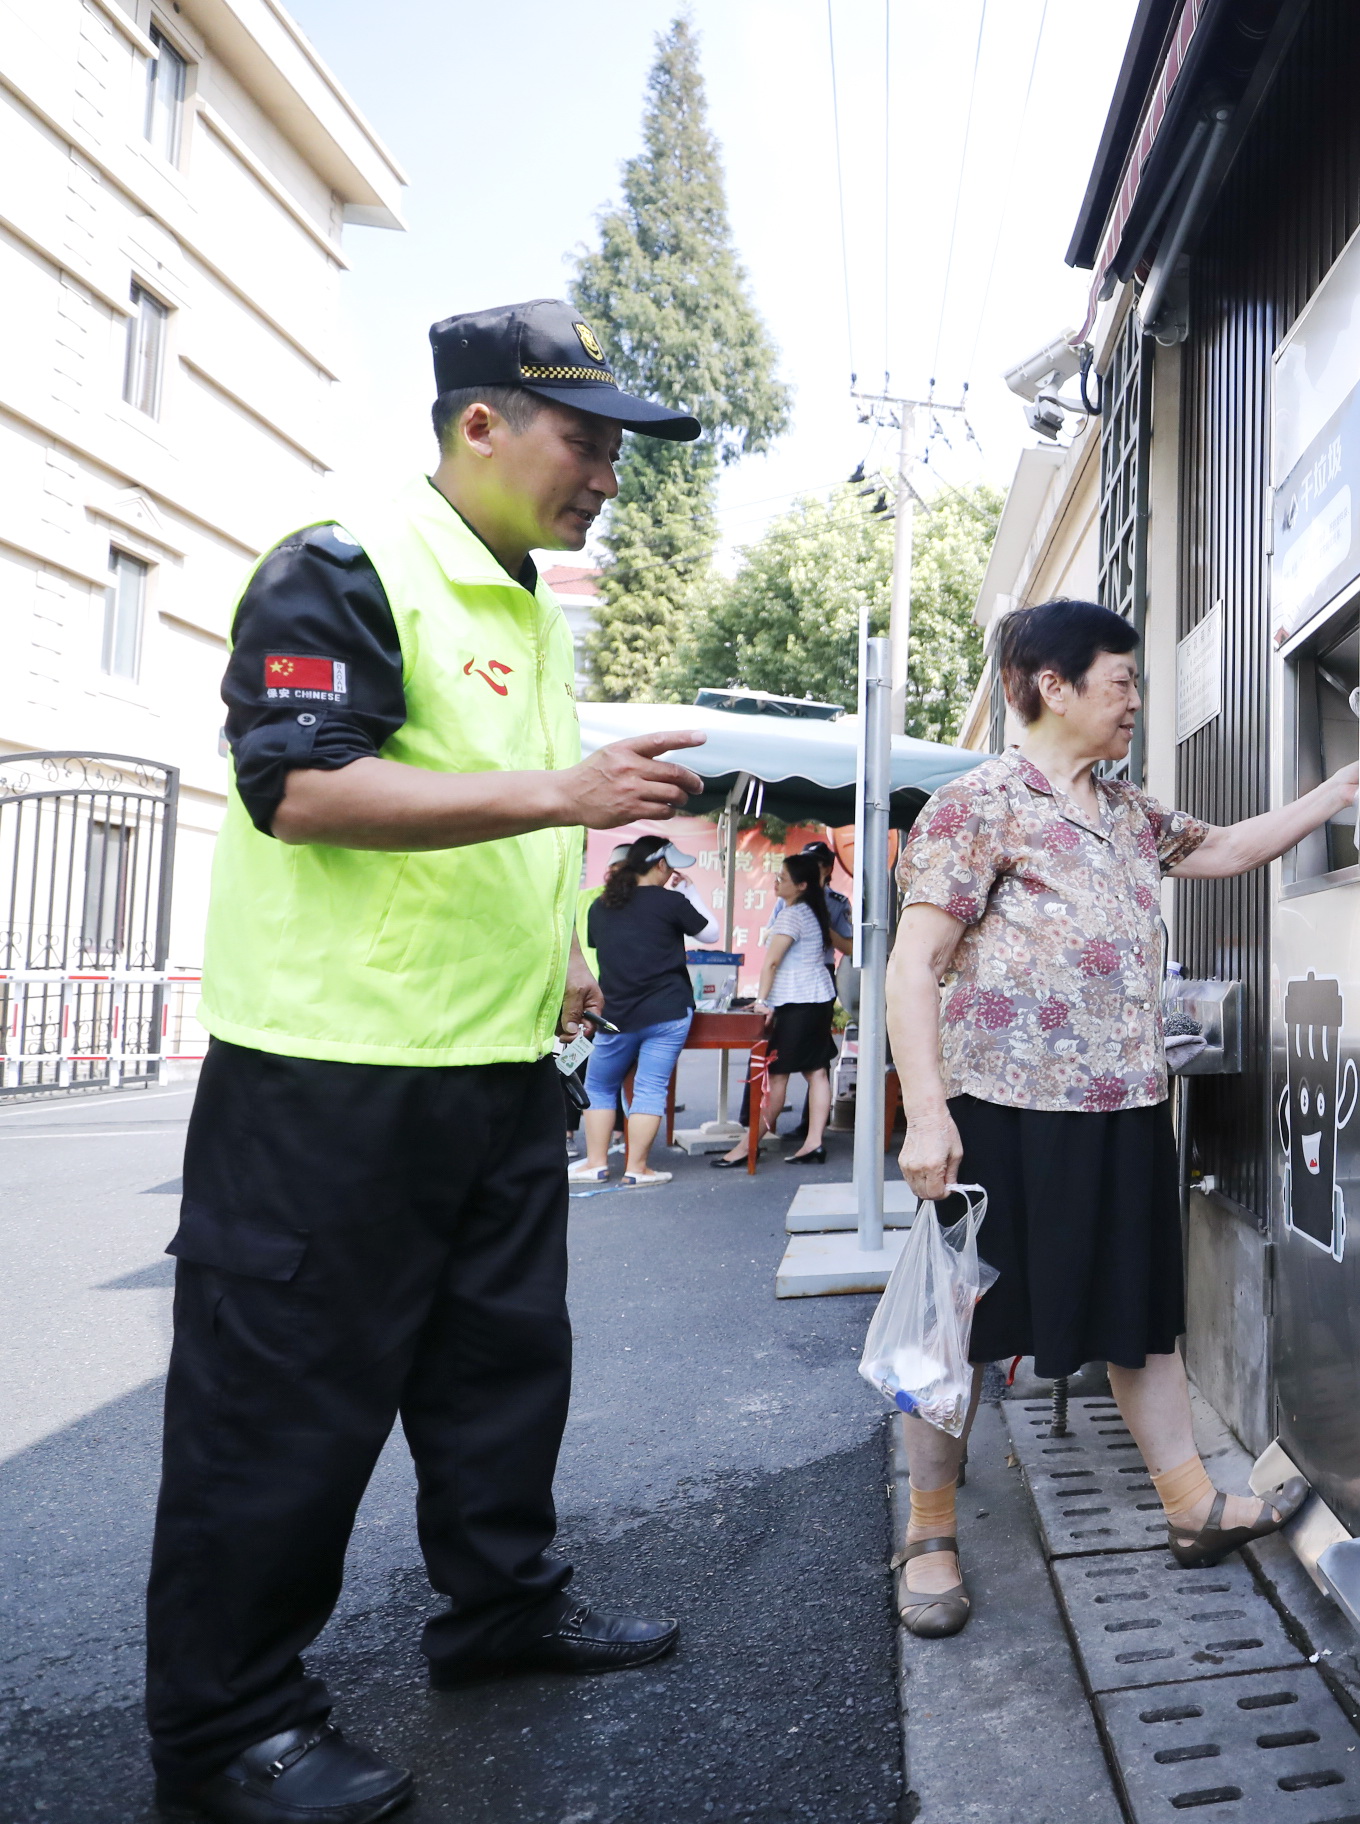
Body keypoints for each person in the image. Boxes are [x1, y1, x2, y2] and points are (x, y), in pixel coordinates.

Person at [147, 300, 709, 1824]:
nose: (607, 473)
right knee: (284, 1410)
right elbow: (305, 792)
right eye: (585, 440)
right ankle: (227, 1730)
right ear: (481, 424)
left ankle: (501, 1608)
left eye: (613, 450)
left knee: (498, 1376)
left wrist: (568, 949)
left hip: (490, 1060)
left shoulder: (522, 602)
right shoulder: (340, 561)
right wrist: (561, 794)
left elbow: (484, 813)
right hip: (331, 1071)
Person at [884, 598, 1360, 1638]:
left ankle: (1192, 1509)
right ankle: (927, 1535)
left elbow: (1229, 850)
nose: (1135, 700)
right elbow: (912, 964)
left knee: (1142, 1320)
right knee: (956, 1328)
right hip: (1000, 1115)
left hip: (1127, 1108)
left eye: (1137, 682)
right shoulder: (980, 807)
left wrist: (1343, 788)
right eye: (1121, 680)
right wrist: (926, 1114)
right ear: (1051, 684)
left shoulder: (1125, 812)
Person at [574, 834, 720, 1187]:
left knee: (599, 1085)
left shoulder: (600, 906)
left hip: (615, 1015)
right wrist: (690, 894)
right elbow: (711, 934)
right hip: (667, 1011)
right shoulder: (671, 901)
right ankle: (636, 1169)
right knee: (650, 1087)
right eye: (670, 867)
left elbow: (600, 946)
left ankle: (595, 1163)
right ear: (660, 865)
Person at [714, 845, 852, 1167]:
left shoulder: (792, 913)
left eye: (783, 878)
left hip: (797, 1002)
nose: (777, 882)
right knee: (817, 1072)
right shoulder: (816, 910)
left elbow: (772, 962)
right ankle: (814, 1143)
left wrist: (761, 1001)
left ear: (801, 885)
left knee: (776, 1077)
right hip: (816, 998)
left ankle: (748, 1146)